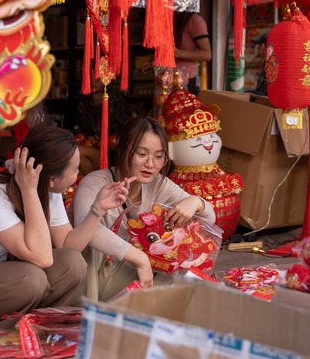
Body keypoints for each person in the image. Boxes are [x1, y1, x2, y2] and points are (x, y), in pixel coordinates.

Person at [0, 126, 131, 327]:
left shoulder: (48, 192)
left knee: (72, 263)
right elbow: (42, 258)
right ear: (52, 179)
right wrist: (29, 191)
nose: (78, 174)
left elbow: (68, 245)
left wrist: (97, 209)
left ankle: (29, 330)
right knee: (30, 278)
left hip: (4, 273)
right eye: (75, 170)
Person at [73, 116, 217, 301]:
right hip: (96, 278)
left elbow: (209, 220)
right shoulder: (96, 182)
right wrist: (139, 258)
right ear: (122, 150)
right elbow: (85, 229)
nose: (150, 164)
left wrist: (196, 202)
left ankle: (152, 307)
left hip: (137, 276)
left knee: (188, 255)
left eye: (159, 156)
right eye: (142, 154)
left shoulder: (159, 184)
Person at [173, 12, 211, 94]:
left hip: (186, 80)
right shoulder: (172, 18)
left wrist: (179, 53)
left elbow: (207, 54)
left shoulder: (194, 20)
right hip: (169, 78)